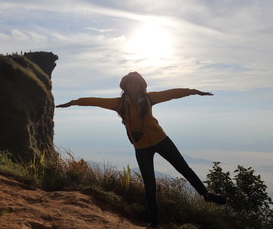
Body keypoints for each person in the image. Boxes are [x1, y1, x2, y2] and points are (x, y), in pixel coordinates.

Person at [56, 72, 226, 228]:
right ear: (125, 86)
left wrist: (194, 91)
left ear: (141, 85)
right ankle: (153, 223)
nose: (133, 86)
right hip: (141, 147)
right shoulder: (118, 104)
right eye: (130, 83)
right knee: (149, 186)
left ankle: (205, 195)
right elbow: (95, 101)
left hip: (161, 140)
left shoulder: (149, 98)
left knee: (183, 168)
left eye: (136, 83)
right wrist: (73, 103)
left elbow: (172, 93)